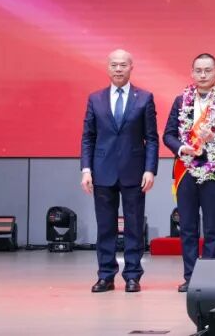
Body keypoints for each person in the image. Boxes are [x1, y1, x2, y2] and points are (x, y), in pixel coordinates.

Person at [80, 49, 158, 293]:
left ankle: (133, 275)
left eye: (123, 64)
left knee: (134, 226)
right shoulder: (95, 98)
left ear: (131, 67)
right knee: (106, 227)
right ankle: (105, 276)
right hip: (102, 171)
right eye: (114, 64)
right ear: (107, 68)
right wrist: (86, 170)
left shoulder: (144, 98)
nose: (118, 69)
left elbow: (151, 138)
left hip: (134, 172)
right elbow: (88, 137)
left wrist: (150, 169)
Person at [162, 53, 215, 292]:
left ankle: (211, 277)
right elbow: (168, 135)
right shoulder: (181, 101)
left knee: (212, 226)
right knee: (187, 227)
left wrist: (214, 138)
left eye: (208, 70)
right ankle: (190, 276)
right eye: (199, 70)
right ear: (192, 73)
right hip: (185, 169)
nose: (203, 75)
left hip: (214, 170)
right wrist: (181, 148)